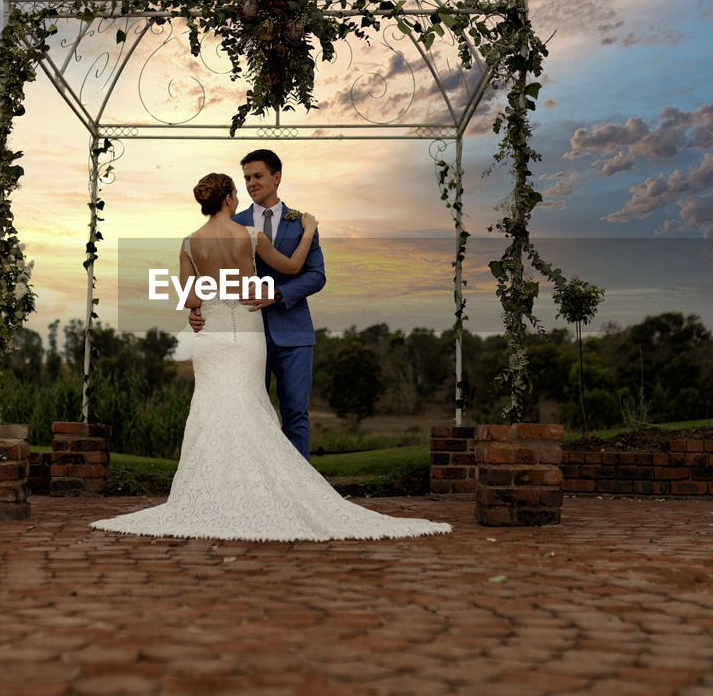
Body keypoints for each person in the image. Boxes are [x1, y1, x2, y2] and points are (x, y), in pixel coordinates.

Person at [89, 173, 450, 541]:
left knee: (211, 407)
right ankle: (262, 490)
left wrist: (197, 310)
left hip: (210, 336)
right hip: (247, 330)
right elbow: (292, 268)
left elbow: (189, 298)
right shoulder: (249, 236)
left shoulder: (189, 243)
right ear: (230, 198)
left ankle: (216, 495)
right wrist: (308, 230)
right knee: (249, 403)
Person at [188, 149, 321, 460]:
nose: (251, 183)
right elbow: (211, 278)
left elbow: (316, 276)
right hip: (244, 334)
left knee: (295, 416)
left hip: (293, 332)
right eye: (246, 178)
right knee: (245, 413)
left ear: (277, 177)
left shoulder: (302, 222)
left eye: (257, 176)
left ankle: (299, 491)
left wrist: (276, 294)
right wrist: (198, 311)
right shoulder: (234, 222)